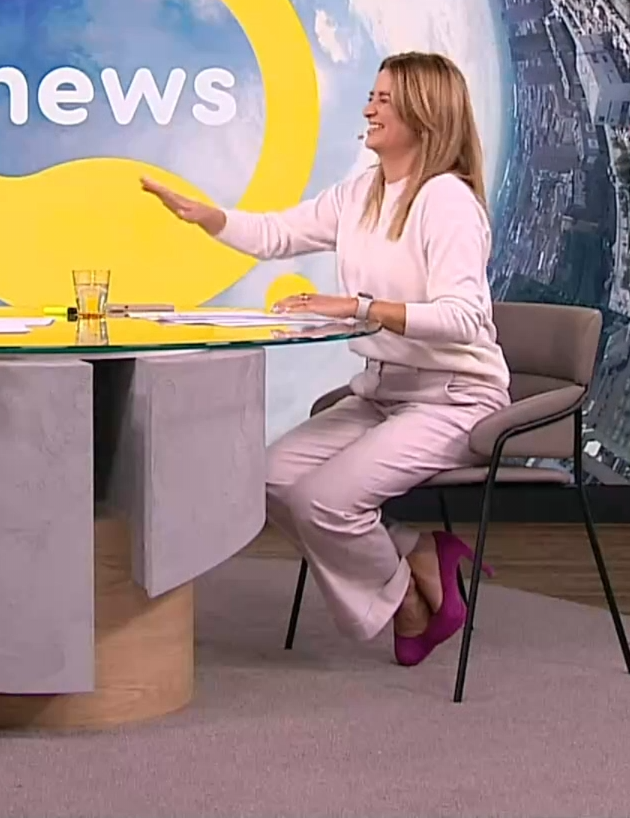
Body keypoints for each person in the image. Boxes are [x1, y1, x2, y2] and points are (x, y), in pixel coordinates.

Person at [141, 51, 510, 668]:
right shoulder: (363, 192)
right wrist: (209, 218)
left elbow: (464, 317)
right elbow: (278, 234)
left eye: (384, 100)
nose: (369, 110)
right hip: (382, 392)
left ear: (423, 114)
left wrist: (359, 308)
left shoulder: (447, 201)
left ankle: (410, 599)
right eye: (371, 96)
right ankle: (416, 563)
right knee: (268, 478)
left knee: (326, 501)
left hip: (454, 397)